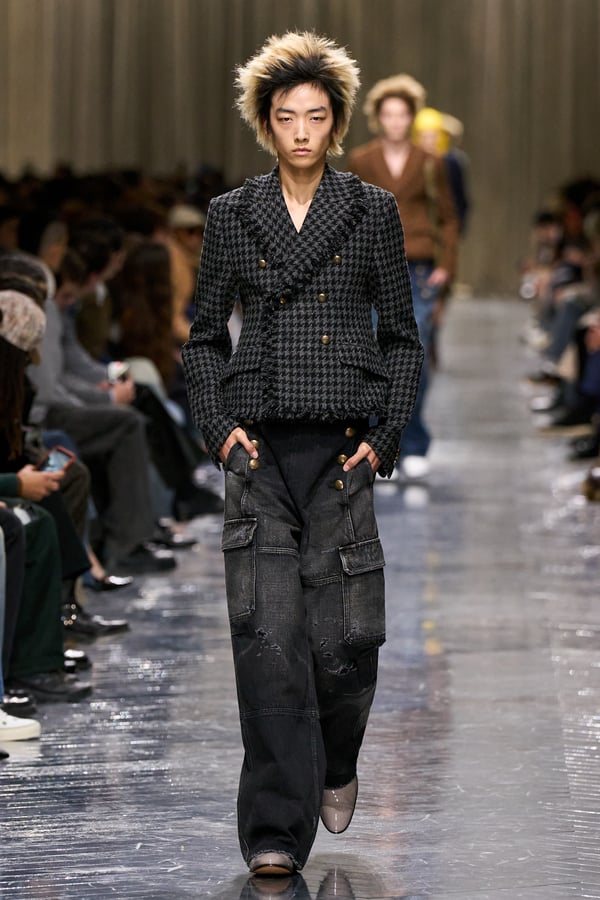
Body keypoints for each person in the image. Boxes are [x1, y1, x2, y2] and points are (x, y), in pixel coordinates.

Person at [183, 31, 423, 877]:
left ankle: (338, 758)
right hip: (259, 449)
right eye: (286, 117)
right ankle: (275, 830)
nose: (301, 132)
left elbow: (402, 338)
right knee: (267, 641)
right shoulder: (232, 214)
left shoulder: (371, 210)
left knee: (344, 643)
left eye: (316, 117)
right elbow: (203, 338)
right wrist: (218, 426)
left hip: (344, 449)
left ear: (337, 122)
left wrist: (385, 437)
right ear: (265, 122)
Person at [348, 74, 458, 479]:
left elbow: (448, 217)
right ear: (377, 118)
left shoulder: (430, 162)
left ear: (411, 118)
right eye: (388, 114)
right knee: (374, 355)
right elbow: (351, 213)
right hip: (372, 267)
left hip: (419, 268)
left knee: (415, 355)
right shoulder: (362, 160)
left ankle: (413, 441)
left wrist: (448, 266)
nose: (395, 121)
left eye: (402, 114)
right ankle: (379, 442)